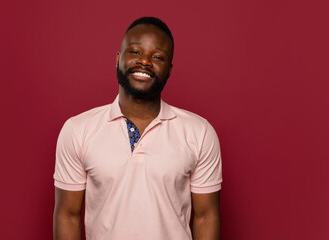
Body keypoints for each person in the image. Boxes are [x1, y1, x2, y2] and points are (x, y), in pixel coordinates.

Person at [53, 17, 222, 240]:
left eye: (158, 56)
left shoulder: (199, 132)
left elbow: (206, 217)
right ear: (117, 59)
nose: (144, 61)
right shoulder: (77, 130)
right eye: (135, 52)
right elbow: (67, 215)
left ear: (169, 69)